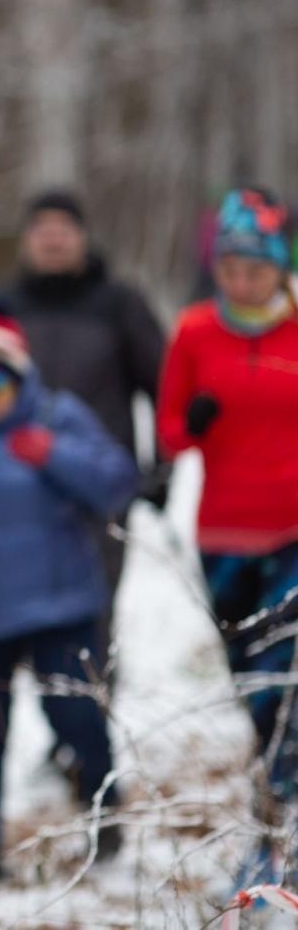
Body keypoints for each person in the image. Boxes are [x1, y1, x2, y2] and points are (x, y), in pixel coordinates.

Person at [0, 306, 134, 884]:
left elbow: (116, 481)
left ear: (17, 380)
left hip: (58, 607)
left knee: (77, 719)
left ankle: (105, 819)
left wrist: (54, 454)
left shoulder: (59, 417)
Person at [157, 187, 298, 884]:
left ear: (281, 266)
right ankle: (276, 827)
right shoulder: (193, 331)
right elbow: (169, 433)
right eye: (232, 266)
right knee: (254, 688)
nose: (244, 280)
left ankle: (280, 835)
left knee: (287, 687)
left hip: (293, 533)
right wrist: (198, 420)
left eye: (258, 267)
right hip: (221, 537)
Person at [0, 189, 168, 660]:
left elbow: (167, 388)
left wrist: (160, 470)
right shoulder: (0, 306)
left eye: (63, 229)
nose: (53, 240)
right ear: (25, 241)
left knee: (92, 616)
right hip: (16, 490)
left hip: (99, 490)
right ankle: (57, 721)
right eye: (41, 229)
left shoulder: (120, 304)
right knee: (20, 621)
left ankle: (89, 724)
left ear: (83, 238)